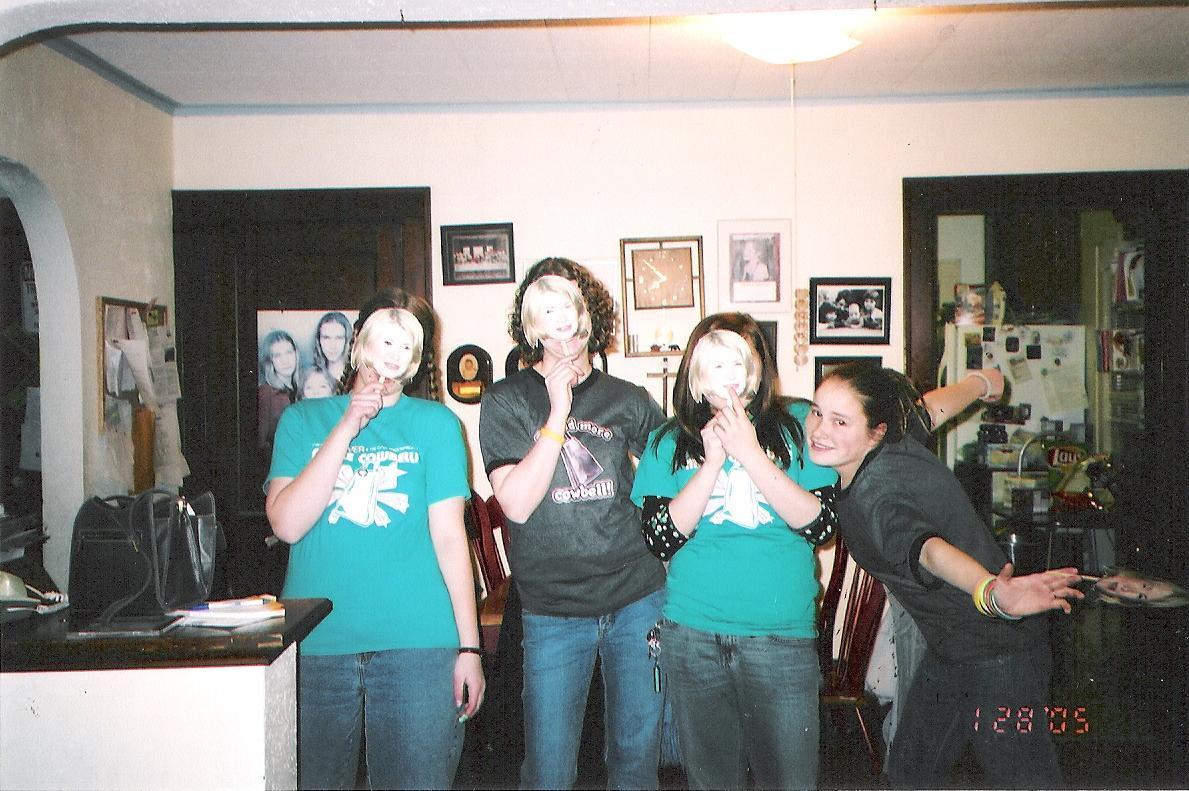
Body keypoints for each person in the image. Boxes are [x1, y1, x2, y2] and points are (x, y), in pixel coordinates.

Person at [806, 362, 1084, 789]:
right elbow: (930, 409)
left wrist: (988, 590)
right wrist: (982, 382)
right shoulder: (893, 441)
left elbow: (929, 551)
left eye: (840, 421)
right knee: (910, 772)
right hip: (953, 648)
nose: (820, 430)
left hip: (998, 653)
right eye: (817, 412)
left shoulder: (873, 498)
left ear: (876, 430)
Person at [265, 308, 484, 790]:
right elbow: (287, 524)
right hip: (316, 644)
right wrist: (347, 426)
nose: (393, 354)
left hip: (418, 646)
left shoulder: (437, 424)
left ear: (415, 361)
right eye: (385, 341)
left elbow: (451, 538)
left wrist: (471, 647)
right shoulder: (303, 419)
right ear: (359, 344)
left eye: (406, 346)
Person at [478, 258, 667, 790]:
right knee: (549, 770)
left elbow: (674, 472)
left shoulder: (627, 398)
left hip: (636, 600)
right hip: (552, 611)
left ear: (589, 317)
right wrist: (558, 413)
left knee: (635, 761)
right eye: (548, 311)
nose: (563, 321)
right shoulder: (506, 400)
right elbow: (516, 504)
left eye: (571, 307)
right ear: (531, 328)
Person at [630, 312, 837, 790]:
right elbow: (660, 538)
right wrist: (711, 464)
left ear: (758, 370)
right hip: (693, 637)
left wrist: (750, 453)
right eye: (716, 362)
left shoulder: (799, 425)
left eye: (742, 360)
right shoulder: (668, 441)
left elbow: (820, 526)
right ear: (696, 375)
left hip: (780, 637)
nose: (730, 376)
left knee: (790, 781)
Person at [258, 329, 300, 451]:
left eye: (289, 352)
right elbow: (260, 444)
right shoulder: (265, 393)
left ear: (296, 354)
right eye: (277, 355)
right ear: (269, 361)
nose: (285, 360)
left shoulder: (304, 387)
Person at [313, 310, 352, 385]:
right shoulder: (312, 378)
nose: (332, 345)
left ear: (347, 340)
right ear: (318, 340)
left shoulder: (357, 377)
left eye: (339, 338)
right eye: (326, 338)